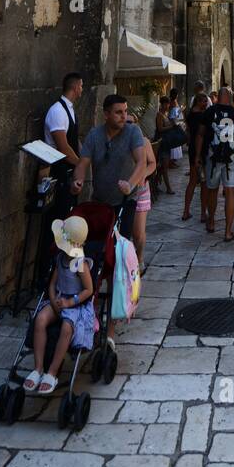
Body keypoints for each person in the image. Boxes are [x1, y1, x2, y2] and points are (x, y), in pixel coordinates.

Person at [72, 94, 151, 347]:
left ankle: (112, 325)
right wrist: (78, 180)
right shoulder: (95, 136)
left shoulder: (133, 131)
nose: (123, 116)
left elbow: (141, 161)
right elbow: (83, 162)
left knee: (116, 257)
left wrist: (131, 183)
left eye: (125, 111)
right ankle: (91, 308)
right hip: (101, 203)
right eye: (118, 112)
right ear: (105, 114)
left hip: (125, 202)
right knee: (93, 257)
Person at [25, 215, 95, 395]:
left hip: (74, 305)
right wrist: (54, 299)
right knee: (40, 319)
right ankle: (38, 367)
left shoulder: (80, 264)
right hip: (59, 299)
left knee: (66, 328)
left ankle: (53, 372)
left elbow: (88, 289)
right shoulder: (60, 259)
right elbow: (52, 283)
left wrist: (70, 302)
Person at [197, 86, 234, 241]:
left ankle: (211, 222)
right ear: (231, 97)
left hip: (213, 157)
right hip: (231, 158)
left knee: (212, 190)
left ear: (218, 97)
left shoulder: (209, 112)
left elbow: (200, 134)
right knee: (230, 192)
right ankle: (228, 231)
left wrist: (198, 155)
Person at [42, 73, 85, 218]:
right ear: (74, 87)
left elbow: (73, 138)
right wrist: (80, 164)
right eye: (81, 86)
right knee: (57, 218)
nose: (82, 89)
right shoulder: (58, 111)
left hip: (69, 173)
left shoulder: (70, 109)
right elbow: (63, 147)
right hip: (57, 172)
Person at [182, 91, 211, 222]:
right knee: (204, 182)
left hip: (193, 149)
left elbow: (188, 133)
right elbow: (202, 134)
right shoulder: (203, 116)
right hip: (202, 150)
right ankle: (203, 213)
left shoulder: (189, 115)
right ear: (198, 102)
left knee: (192, 181)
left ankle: (186, 211)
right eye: (204, 101)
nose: (206, 103)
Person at [133, 135, 157, 272]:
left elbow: (152, 162)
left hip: (140, 189)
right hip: (118, 191)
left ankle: (139, 258)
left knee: (138, 232)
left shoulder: (143, 141)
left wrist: (143, 175)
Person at [154, 95, 176, 194]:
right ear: (162, 104)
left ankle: (155, 185)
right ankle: (168, 188)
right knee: (164, 167)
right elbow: (160, 129)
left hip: (166, 143)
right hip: (161, 143)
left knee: (162, 167)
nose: (167, 106)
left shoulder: (165, 114)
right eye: (166, 104)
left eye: (168, 104)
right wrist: (171, 126)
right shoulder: (159, 115)